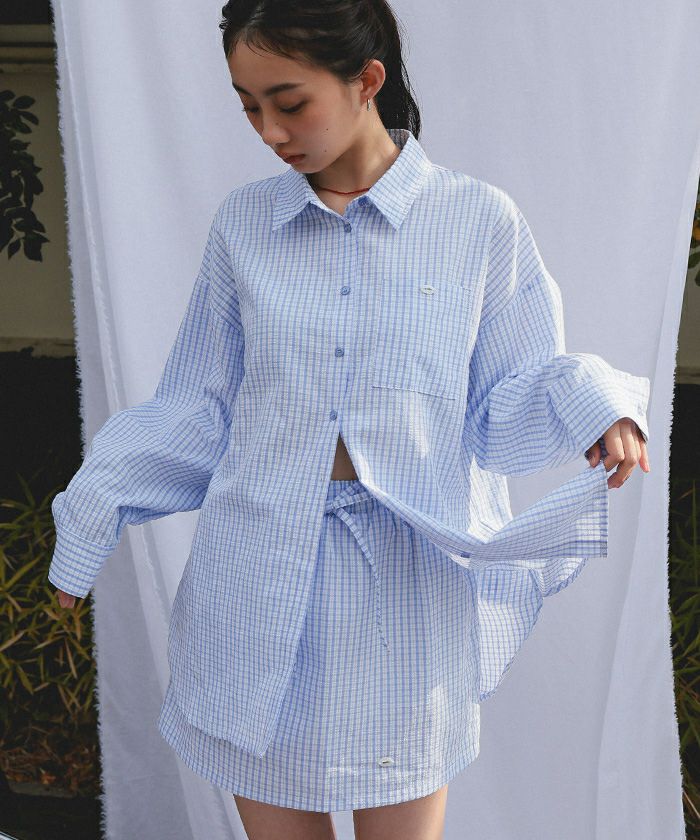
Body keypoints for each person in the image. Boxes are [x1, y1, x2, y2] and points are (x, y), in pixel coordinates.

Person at [50, 1, 651, 838]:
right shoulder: (244, 226)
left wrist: (595, 405)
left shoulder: (477, 221)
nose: (269, 132)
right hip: (257, 578)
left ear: (366, 80)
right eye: (248, 106)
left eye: (289, 102)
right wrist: (90, 513)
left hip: (407, 587)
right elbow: (200, 407)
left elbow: (505, 395)